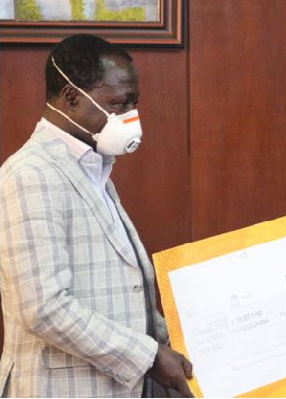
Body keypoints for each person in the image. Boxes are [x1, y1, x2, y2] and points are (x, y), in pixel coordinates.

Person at [0, 34, 193, 397]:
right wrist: (149, 357)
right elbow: (44, 308)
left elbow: (120, 290)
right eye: (119, 104)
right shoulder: (30, 175)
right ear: (72, 98)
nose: (130, 118)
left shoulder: (94, 169)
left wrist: (177, 342)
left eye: (134, 104)